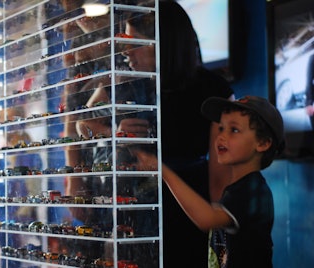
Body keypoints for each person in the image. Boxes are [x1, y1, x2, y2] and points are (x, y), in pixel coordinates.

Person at [65, 1, 235, 267]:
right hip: (138, 211)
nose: (126, 52)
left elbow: (220, 174)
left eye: (135, 43)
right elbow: (82, 123)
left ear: (164, 44)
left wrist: (217, 230)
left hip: (189, 206)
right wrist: (114, 132)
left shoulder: (213, 89)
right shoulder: (126, 81)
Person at [134, 95, 285, 268]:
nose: (221, 137)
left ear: (263, 143)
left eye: (234, 130)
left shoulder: (253, 189)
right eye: (221, 128)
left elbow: (207, 218)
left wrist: (163, 171)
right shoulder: (238, 188)